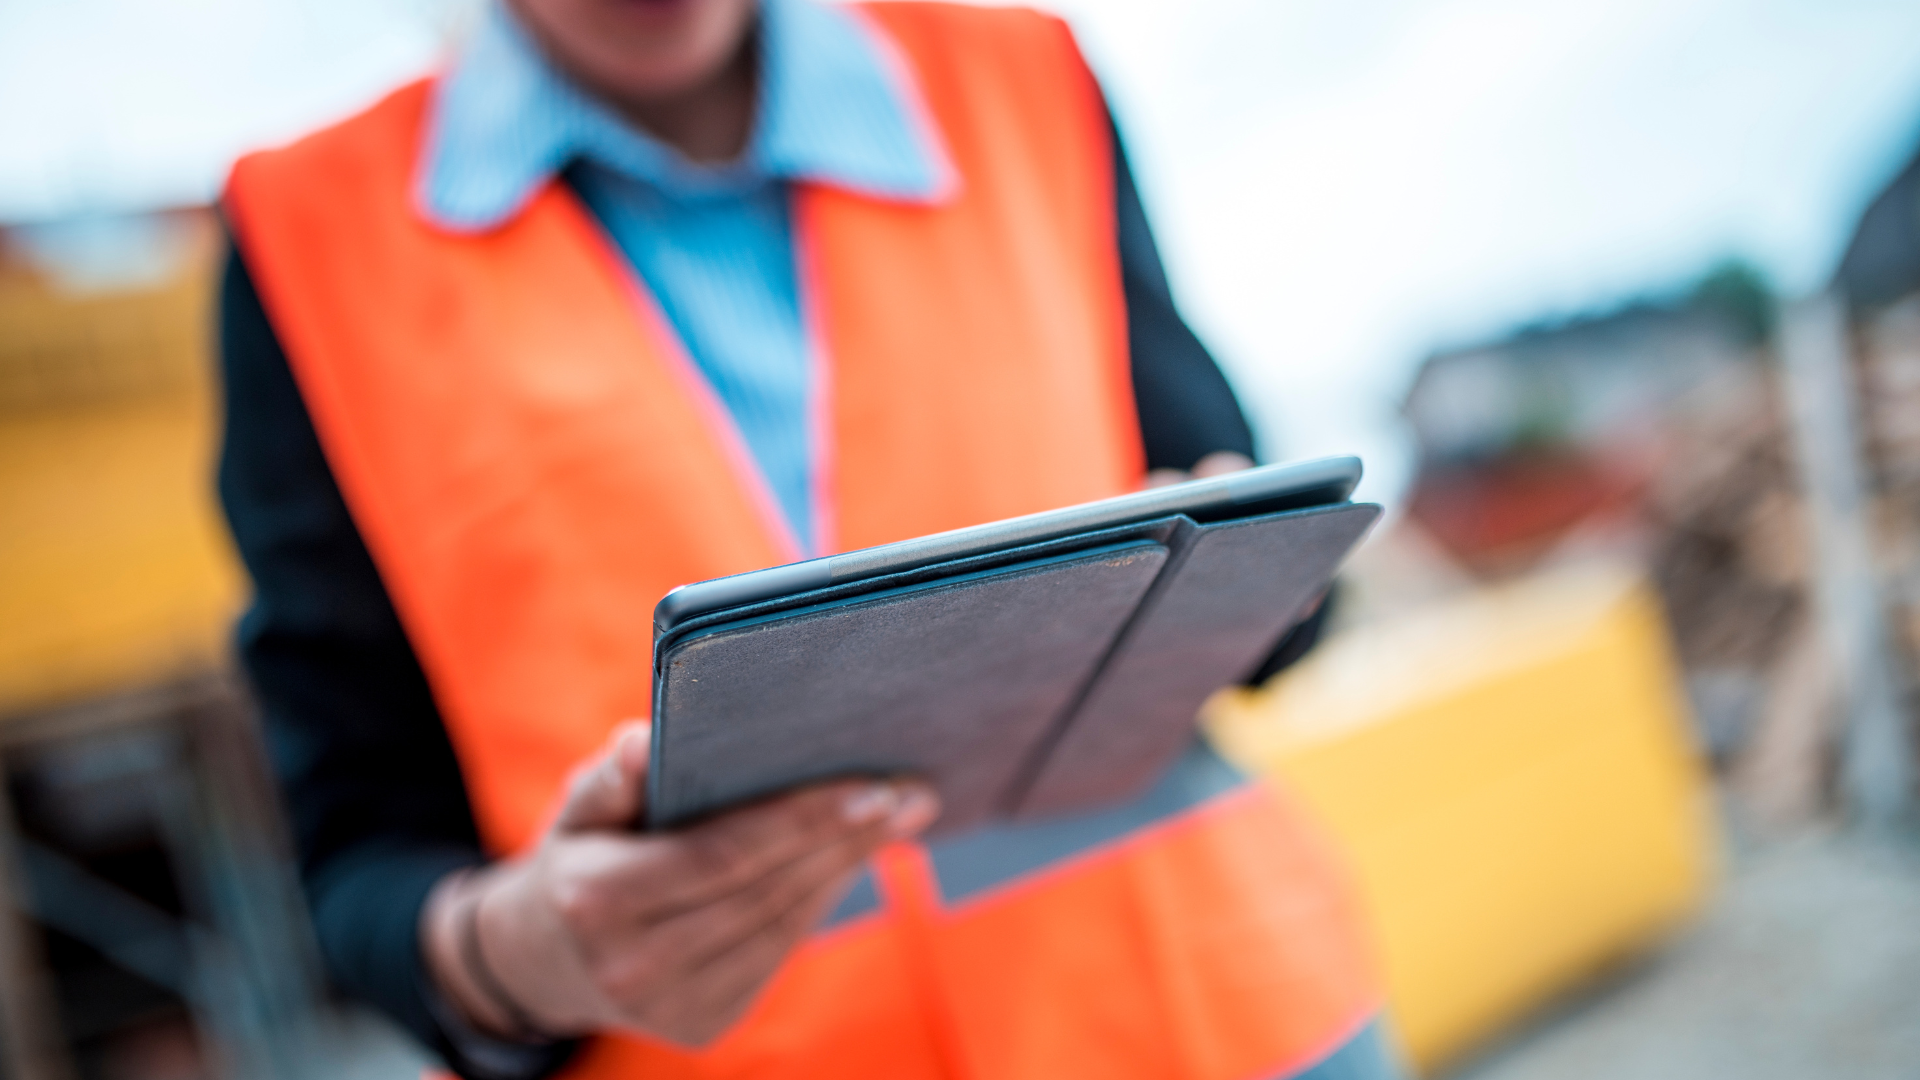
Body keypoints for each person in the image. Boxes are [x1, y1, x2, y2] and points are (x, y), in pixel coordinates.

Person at [218, 1, 1397, 1078]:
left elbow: (1269, 546)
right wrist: (510, 955)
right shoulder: (311, 235)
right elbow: (357, 844)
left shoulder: (1020, 77)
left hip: (1224, 1028)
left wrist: (1246, 592)